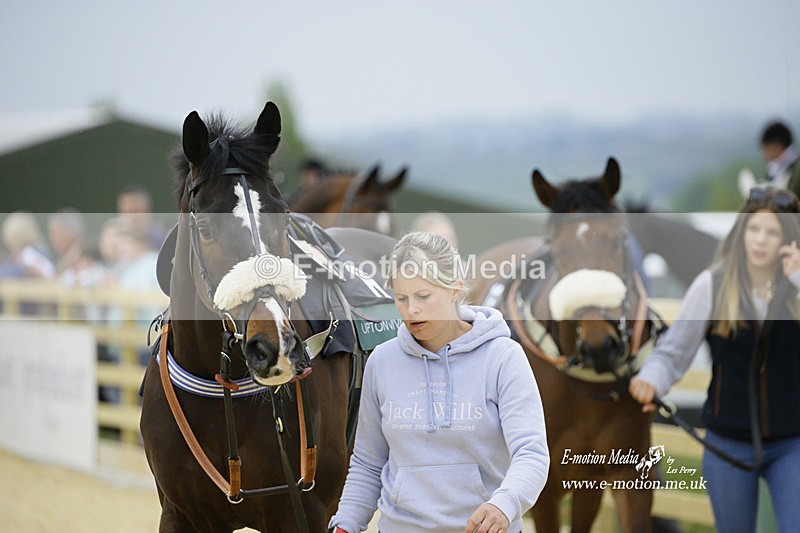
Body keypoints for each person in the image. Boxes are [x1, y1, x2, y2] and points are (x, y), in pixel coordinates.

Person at [328, 231, 549, 533]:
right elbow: (368, 464)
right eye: (401, 298)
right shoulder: (382, 361)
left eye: (423, 296)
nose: (411, 310)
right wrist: (346, 524)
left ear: (455, 288)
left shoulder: (503, 357)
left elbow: (531, 454)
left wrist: (504, 504)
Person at [629, 187, 800, 532]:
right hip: (728, 442)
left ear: (788, 240)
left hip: (792, 441)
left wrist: (796, 280)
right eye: (754, 229)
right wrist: (651, 380)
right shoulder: (712, 285)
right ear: (741, 232)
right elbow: (673, 352)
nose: (760, 240)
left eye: (771, 232)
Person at [738, 120, 800, 199]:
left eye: (764, 149)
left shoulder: (795, 170)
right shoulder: (776, 172)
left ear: (776, 146)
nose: (763, 155)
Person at [116, 184, 167, 250]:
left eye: (136, 211)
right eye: (126, 211)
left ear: (147, 210)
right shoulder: (113, 237)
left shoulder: (159, 236)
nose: (131, 217)